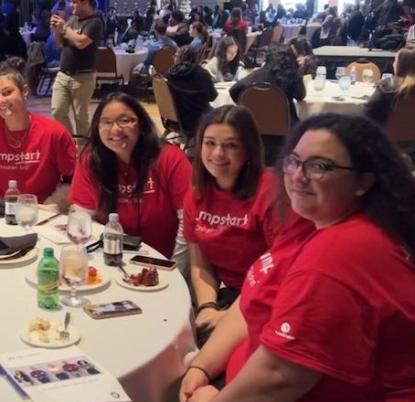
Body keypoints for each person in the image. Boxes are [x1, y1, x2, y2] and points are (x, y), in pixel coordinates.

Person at [145, 113, 415, 402]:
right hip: (295, 399)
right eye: (294, 160)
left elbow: (281, 375)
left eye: (321, 166)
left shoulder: (341, 253)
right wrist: (204, 364)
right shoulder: (313, 225)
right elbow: (252, 300)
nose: (298, 176)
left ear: (364, 182)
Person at [183, 105, 287, 343]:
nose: (218, 153)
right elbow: (200, 264)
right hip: (227, 295)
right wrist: (208, 307)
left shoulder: (270, 192)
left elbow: (283, 269)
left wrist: (232, 315)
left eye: (231, 145)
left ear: (249, 151)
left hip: (269, 299)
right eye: (210, 143)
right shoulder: (196, 194)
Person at [69, 93, 192, 266]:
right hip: (109, 260)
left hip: (163, 261)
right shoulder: (90, 161)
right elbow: (82, 217)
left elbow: (188, 222)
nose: (116, 129)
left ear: (141, 123)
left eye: (125, 120)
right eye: (107, 122)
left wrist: (176, 267)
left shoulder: (170, 159)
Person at [0, 59, 76, 203]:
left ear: (24, 91)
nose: (1, 100)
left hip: (43, 210)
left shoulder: (54, 133)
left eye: (7, 92)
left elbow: (72, 180)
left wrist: (51, 207)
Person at [50, 0, 103, 137]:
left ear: (85, 2)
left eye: (74, 2)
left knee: (81, 119)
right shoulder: (72, 19)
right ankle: (70, 143)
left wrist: (65, 28)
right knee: (57, 111)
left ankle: (83, 152)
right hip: (63, 75)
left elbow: (81, 42)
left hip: (82, 78)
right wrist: (56, 31)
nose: (71, 5)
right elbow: (61, 44)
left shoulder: (95, 22)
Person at [230, 45, 306, 123]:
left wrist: (248, 105)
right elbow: (300, 96)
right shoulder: (292, 76)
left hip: (254, 125)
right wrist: (298, 71)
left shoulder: (258, 74)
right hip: (285, 126)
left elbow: (234, 90)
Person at [166, 46, 217, 136]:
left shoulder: (170, 75)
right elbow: (213, 96)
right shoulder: (202, 73)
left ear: (178, 58)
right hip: (197, 117)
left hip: (175, 119)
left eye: (175, 56)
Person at [364, 46, 415, 125]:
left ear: (401, 64)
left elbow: (367, 114)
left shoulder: (387, 86)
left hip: (385, 135)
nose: (393, 64)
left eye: (395, 61)